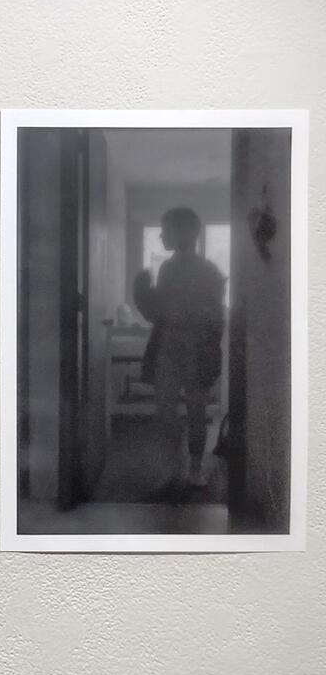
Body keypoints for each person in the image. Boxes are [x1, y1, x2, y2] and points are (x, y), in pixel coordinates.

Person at [133, 207, 226, 496]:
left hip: (197, 349)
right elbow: (158, 314)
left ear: (186, 233)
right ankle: (174, 467)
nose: (161, 235)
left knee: (197, 410)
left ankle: (194, 470)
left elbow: (214, 316)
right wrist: (144, 297)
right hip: (170, 348)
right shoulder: (167, 268)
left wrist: (186, 316)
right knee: (165, 412)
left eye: (166, 230)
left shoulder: (209, 271)